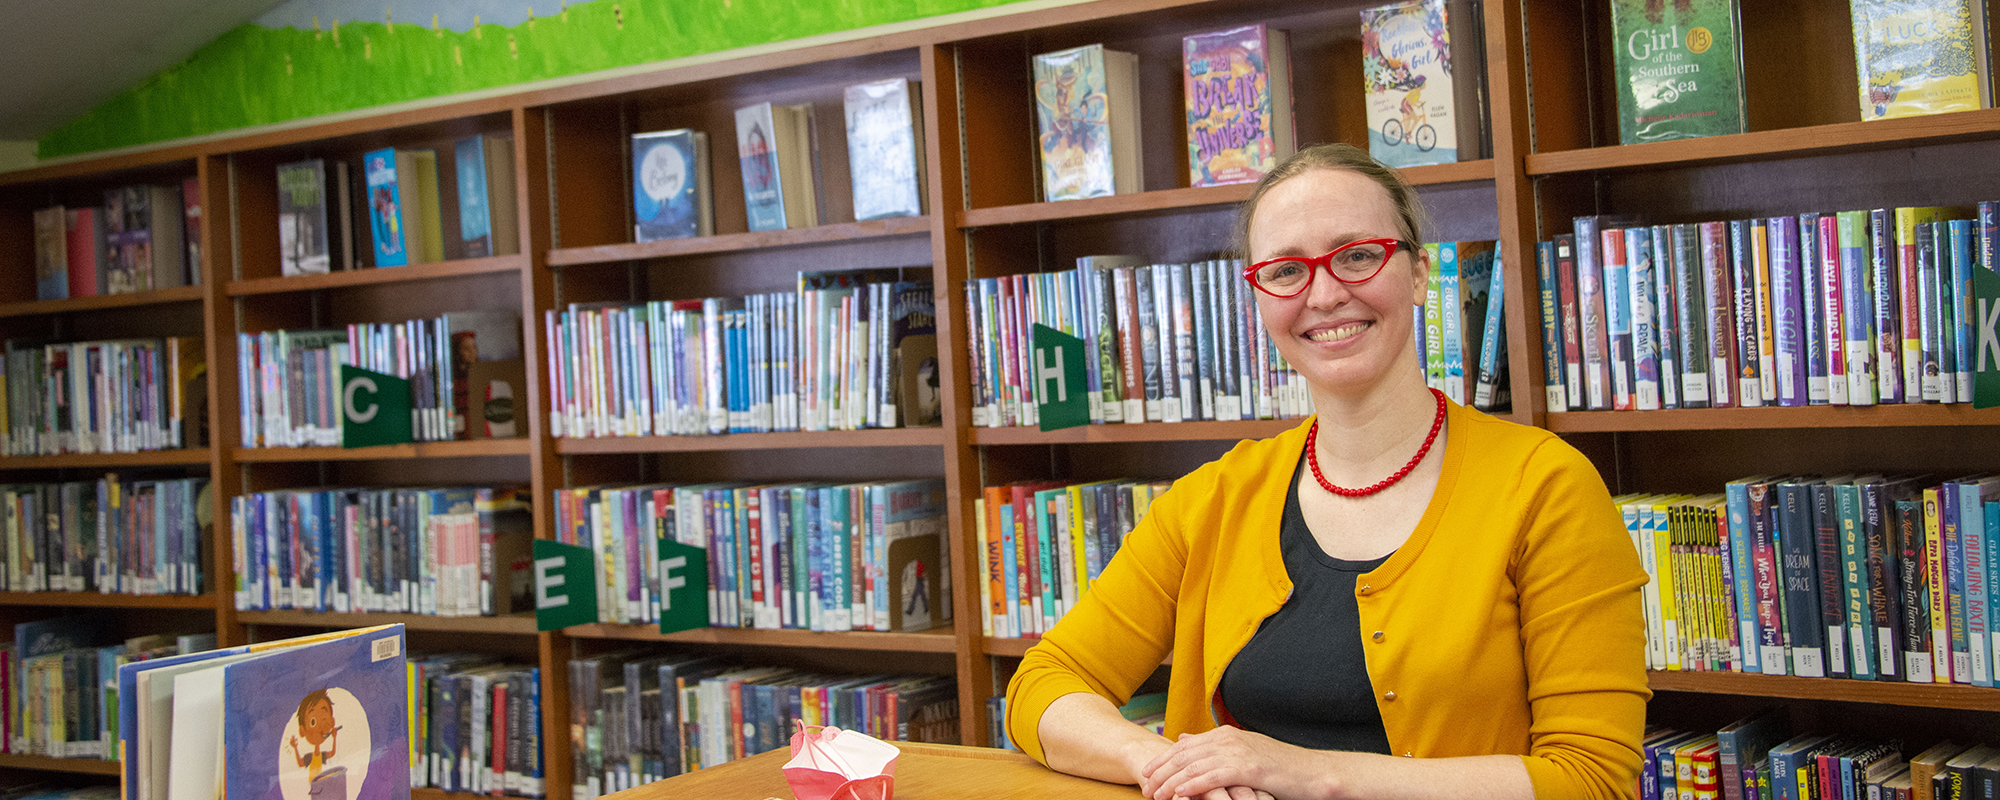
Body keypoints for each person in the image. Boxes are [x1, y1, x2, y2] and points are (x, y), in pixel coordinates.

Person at [1004, 143, 1648, 800]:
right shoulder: (1216, 498)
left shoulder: (1545, 488)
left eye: (1358, 256)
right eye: (1286, 270)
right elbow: (1047, 681)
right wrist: (1161, 764)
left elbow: (1590, 779)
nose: (1325, 293)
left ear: (1421, 274)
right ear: (1259, 299)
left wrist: (1309, 773)